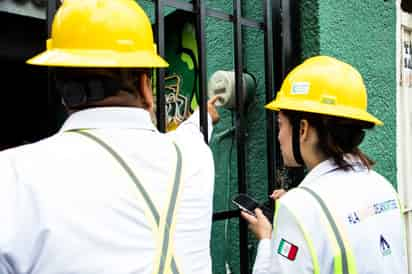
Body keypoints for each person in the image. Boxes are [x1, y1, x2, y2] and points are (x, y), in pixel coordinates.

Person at [0, 0, 220, 273]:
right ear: (145, 84)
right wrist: (206, 115)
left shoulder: (11, 174)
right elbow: (192, 134)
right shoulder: (194, 158)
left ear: (64, 92)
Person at [242, 55, 408, 274]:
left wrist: (267, 240)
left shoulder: (299, 207)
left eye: (280, 124)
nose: (279, 136)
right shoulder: (384, 187)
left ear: (303, 129)